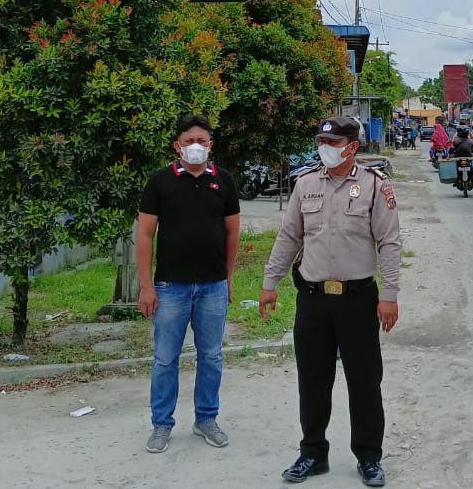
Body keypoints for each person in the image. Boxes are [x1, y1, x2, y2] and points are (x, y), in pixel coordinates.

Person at [260, 117, 401, 488]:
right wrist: (269, 282)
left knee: (365, 381)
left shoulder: (374, 186)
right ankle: (312, 453)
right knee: (313, 379)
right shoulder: (305, 184)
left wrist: (389, 296)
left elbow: (389, 242)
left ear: (352, 147)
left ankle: (369, 457)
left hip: (358, 301)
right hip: (313, 300)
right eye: (322, 140)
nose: (325, 146)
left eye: (332, 141)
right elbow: (290, 235)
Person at [136, 113, 240, 454]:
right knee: (166, 358)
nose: (196, 146)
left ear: (211, 145)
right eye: (189, 141)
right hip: (170, 288)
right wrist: (146, 287)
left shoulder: (223, 181)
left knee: (211, 356)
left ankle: (206, 419)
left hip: (212, 287)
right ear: (177, 146)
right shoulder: (159, 181)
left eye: (202, 141)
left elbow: (232, 233)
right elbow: (145, 235)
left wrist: (228, 279)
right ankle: (161, 425)